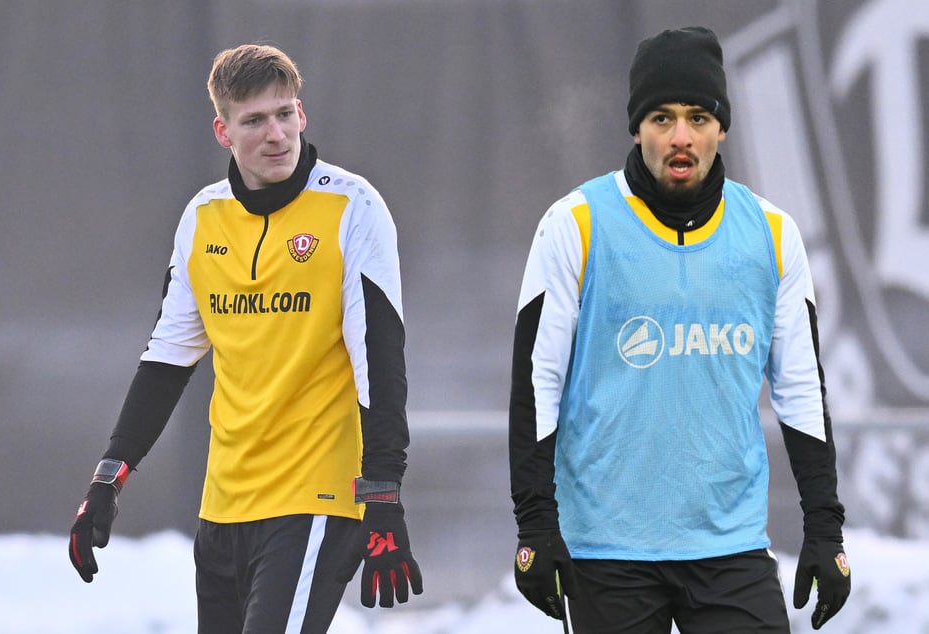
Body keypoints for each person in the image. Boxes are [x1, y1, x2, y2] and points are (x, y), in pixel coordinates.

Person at [69, 43, 422, 633]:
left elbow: (379, 362)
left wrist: (382, 489)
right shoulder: (202, 217)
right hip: (224, 506)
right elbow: (166, 362)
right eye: (254, 120)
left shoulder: (352, 205)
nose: (276, 133)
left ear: (302, 115)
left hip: (317, 498)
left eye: (286, 113)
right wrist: (109, 475)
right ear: (222, 130)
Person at [508, 26, 850, 633]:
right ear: (636, 128)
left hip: (730, 549)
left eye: (698, 116)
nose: (681, 136)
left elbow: (800, 390)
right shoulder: (574, 224)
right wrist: (535, 525)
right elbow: (536, 383)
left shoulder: (772, 234)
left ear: (722, 127)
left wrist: (825, 528)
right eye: (661, 118)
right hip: (606, 553)